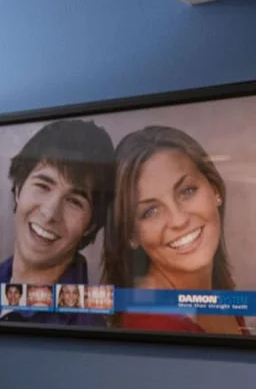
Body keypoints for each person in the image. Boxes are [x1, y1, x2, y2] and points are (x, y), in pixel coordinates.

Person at [102, 125, 251, 336]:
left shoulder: (217, 294)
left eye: (187, 191)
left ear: (215, 189)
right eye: (150, 211)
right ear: (131, 235)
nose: (179, 220)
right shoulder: (153, 325)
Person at [0, 119, 116, 325]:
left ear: (91, 225)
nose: (50, 213)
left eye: (74, 201)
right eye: (43, 186)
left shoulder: (87, 327)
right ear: (19, 189)